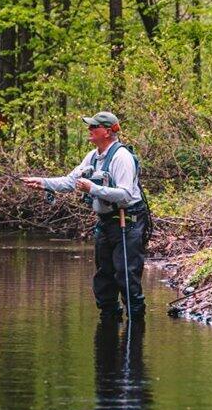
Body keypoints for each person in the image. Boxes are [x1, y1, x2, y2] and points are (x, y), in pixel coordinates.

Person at [23, 111, 147, 319]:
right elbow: (70, 182)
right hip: (105, 224)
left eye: (93, 127)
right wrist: (42, 182)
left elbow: (125, 195)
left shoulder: (122, 157)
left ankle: (135, 333)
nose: (89, 130)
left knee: (126, 277)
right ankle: (108, 328)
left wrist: (92, 189)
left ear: (107, 132)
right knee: (104, 280)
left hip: (128, 223)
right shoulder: (92, 156)